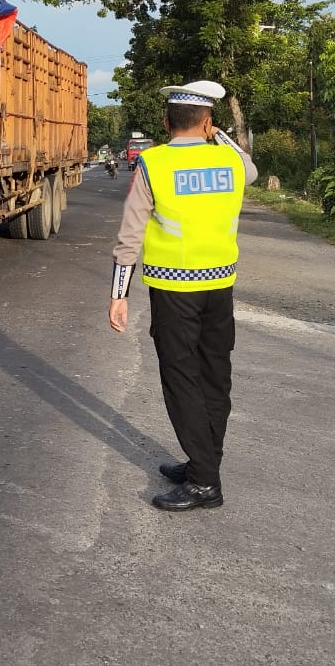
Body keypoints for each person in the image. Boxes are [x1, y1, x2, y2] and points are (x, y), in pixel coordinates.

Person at [108, 80, 258, 512]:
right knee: (215, 375)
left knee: (182, 379)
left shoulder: (153, 165)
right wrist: (219, 134)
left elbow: (130, 235)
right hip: (219, 287)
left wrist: (119, 293)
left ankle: (205, 481)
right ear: (209, 123)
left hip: (175, 290)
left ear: (164, 122)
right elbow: (249, 163)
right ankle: (204, 462)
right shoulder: (230, 162)